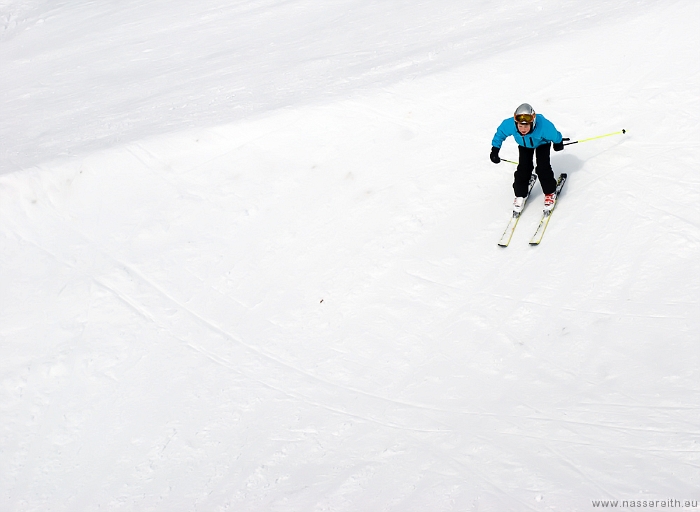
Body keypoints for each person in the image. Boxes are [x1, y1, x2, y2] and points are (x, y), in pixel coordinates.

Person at [490, 103, 565, 212]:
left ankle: (550, 192)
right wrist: (495, 150)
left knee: (543, 168)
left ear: (533, 123)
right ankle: (520, 194)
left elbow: (554, 134)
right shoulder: (510, 124)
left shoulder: (543, 126)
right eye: (520, 126)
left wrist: (558, 143)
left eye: (526, 126)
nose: (523, 129)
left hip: (542, 144)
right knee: (523, 168)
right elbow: (500, 133)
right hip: (524, 145)